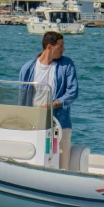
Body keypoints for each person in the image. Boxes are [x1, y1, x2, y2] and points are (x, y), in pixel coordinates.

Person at [19, 31, 78, 169]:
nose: (64, 49)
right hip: (36, 123)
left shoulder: (67, 65)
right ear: (49, 47)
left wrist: (53, 104)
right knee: (37, 157)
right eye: (61, 46)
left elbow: (73, 92)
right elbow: (22, 98)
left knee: (61, 162)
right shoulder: (28, 68)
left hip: (60, 124)